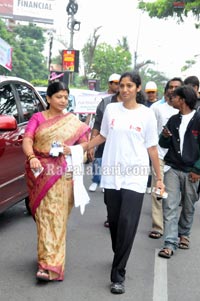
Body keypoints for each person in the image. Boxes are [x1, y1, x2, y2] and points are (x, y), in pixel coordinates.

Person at [88, 71, 165, 294]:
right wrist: (82, 147)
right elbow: (102, 136)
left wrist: (159, 178)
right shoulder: (111, 109)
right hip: (112, 175)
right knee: (114, 221)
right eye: (122, 85)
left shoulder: (147, 115)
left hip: (135, 176)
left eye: (129, 86)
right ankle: (119, 251)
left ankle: (118, 275)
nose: (124, 89)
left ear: (138, 88)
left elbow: (152, 147)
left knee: (127, 222)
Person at [22, 81, 90, 281]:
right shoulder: (38, 118)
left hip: (63, 174)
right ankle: (46, 258)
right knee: (45, 219)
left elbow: (85, 145)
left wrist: (74, 151)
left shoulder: (73, 121)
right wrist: (32, 157)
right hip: (40, 171)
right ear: (49, 98)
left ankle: (49, 266)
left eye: (66, 97)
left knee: (57, 219)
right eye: (59, 97)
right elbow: (27, 139)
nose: (63, 101)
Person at [158, 85, 200, 259]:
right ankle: (169, 242)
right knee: (170, 205)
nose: (171, 99)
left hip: (193, 170)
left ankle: (184, 234)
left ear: (182, 100)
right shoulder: (173, 120)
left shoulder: (198, 118)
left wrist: (198, 169)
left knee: (189, 205)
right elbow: (163, 144)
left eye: (174, 97)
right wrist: (165, 136)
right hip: (173, 169)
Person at [149, 77, 183, 239]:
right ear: (166, 89)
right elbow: (150, 133)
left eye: (177, 87)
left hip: (178, 159)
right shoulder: (156, 108)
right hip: (159, 155)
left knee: (173, 194)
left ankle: (172, 225)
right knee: (157, 190)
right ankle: (157, 226)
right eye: (170, 86)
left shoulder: (185, 110)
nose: (173, 89)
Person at [88, 73, 121, 193]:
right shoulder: (105, 101)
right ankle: (96, 180)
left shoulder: (130, 103)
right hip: (103, 137)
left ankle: (107, 182)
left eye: (120, 84)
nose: (119, 87)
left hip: (119, 139)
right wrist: (91, 143)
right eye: (116, 83)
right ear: (110, 84)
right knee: (99, 158)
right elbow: (97, 123)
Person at [144, 81, 158, 193]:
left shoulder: (159, 106)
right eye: (149, 92)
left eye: (152, 92)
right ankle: (145, 183)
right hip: (143, 137)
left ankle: (150, 184)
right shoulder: (142, 104)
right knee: (145, 162)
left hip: (154, 138)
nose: (151, 94)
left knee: (152, 161)